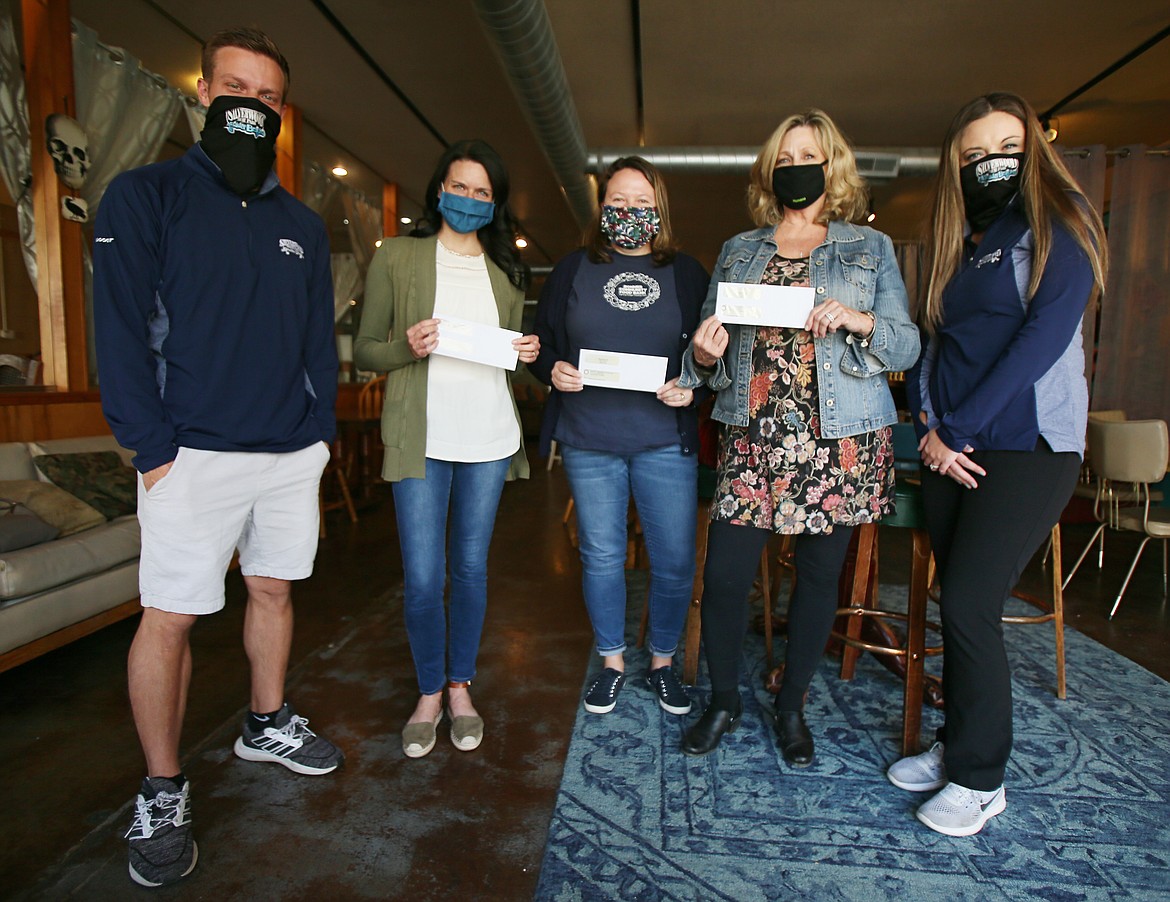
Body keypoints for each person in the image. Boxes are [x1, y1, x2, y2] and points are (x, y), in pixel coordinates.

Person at [93, 27, 343, 888]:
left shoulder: (301, 226)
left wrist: (320, 437)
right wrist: (151, 449)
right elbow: (119, 331)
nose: (250, 104)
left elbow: (318, 342)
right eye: (235, 88)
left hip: (286, 454)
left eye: (266, 96)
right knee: (171, 616)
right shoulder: (146, 196)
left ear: (280, 112)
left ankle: (264, 721)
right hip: (188, 455)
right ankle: (162, 788)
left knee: (273, 588)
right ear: (204, 92)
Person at [888, 92, 1107, 837]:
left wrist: (961, 429)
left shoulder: (1058, 225)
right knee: (960, 597)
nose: (991, 164)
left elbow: (1040, 342)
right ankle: (958, 746)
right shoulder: (961, 239)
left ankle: (981, 783)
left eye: (1005, 147)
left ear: (1034, 150)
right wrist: (927, 421)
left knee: (971, 604)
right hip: (951, 442)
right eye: (974, 154)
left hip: (1026, 446)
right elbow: (931, 341)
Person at [678, 110, 920, 762]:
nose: (795, 169)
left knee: (817, 579)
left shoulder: (870, 249)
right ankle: (725, 700)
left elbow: (907, 342)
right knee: (726, 577)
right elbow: (706, 357)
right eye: (783, 160)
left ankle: (791, 709)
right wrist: (703, 356)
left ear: (832, 163)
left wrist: (861, 319)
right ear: (770, 171)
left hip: (837, 439)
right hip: (754, 435)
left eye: (807, 156)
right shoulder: (739, 248)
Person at [353, 140, 537, 760]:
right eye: (460, 187)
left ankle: (461, 688)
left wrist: (526, 356)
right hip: (422, 439)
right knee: (424, 576)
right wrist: (408, 345)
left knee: (469, 570)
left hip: (486, 436)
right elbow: (365, 351)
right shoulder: (398, 258)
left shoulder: (506, 273)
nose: (469, 200)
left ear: (496, 204)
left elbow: (507, 359)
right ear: (438, 190)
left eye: (483, 192)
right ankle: (428, 691)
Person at [530, 157, 709, 716]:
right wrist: (551, 371)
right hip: (589, 439)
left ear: (659, 211)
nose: (628, 212)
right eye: (617, 203)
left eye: (640, 203)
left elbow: (711, 354)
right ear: (601, 208)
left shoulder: (687, 273)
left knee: (675, 560)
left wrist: (694, 387)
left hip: (663, 439)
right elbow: (542, 346)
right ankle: (610, 660)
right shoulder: (570, 270)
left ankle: (660, 662)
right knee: (602, 556)